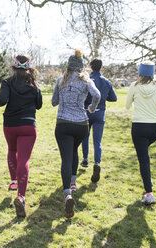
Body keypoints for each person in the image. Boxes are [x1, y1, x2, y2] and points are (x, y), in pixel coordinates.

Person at [52, 49, 101, 218]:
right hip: (81, 124)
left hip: (64, 123)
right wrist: (92, 108)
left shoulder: (61, 80)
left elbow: (54, 102)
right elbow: (97, 95)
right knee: (74, 151)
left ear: (68, 66)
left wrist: (63, 96)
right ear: (81, 67)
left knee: (66, 157)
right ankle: (73, 183)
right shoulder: (86, 80)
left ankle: (67, 194)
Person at [0, 54, 42, 218]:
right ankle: (21, 196)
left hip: (10, 125)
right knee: (24, 160)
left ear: (14, 67)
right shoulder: (34, 84)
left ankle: (14, 181)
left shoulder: (7, 82)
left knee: (11, 150)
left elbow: (1, 101)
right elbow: (39, 105)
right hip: (28, 126)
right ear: (29, 68)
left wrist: (3, 95)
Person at [125, 61, 156, 205]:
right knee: (144, 153)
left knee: (143, 159)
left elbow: (127, 106)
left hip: (139, 127)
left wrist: (137, 104)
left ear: (140, 73)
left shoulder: (134, 86)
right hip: (155, 128)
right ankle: (148, 180)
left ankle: (149, 193)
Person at [80, 58, 117, 184]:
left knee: (85, 137)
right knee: (97, 140)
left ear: (91, 67)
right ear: (101, 67)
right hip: (100, 112)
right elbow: (114, 98)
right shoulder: (106, 82)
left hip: (86, 111)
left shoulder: (86, 80)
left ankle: (85, 159)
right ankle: (97, 162)